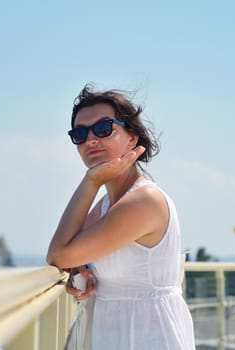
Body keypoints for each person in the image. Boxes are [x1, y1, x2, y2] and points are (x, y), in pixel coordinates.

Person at [47, 84, 195, 349]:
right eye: (80, 133)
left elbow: (58, 254)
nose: (91, 139)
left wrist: (90, 182)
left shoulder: (143, 201)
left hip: (150, 335)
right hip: (114, 333)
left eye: (104, 129)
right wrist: (82, 268)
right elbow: (68, 252)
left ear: (132, 138)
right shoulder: (108, 205)